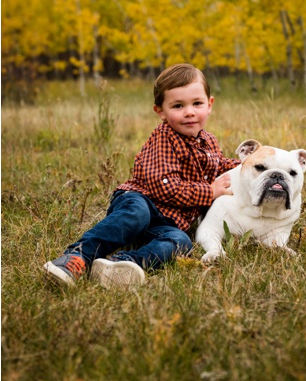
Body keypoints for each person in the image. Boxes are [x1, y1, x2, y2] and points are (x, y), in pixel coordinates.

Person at [43, 63, 241, 289]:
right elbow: (165, 187)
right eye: (178, 105)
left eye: (197, 103)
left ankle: (121, 265)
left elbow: (219, 165)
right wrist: (210, 191)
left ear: (210, 104)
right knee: (136, 214)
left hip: (167, 224)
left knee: (180, 241)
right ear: (161, 112)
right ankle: (77, 257)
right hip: (141, 201)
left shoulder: (209, 140)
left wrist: (251, 165)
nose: (189, 112)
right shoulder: (164, 138)